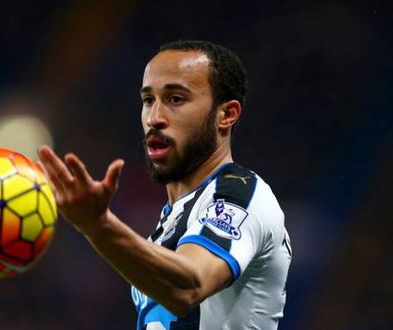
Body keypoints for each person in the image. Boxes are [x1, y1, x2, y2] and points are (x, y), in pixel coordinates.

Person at [37, 40, 292, 330]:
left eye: (176, 99)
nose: (154, 118)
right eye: (148, 100)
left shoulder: (240, 194)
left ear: (227, 114)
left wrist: (98, 226)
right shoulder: (172, 221)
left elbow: (189, 286)